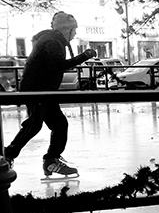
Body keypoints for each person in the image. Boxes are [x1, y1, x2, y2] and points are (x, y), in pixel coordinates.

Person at [3, 11, 97, 177]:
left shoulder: (53, 40)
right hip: (37, 91)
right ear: (67, 30)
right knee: (34, 124)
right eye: (74, 31)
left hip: (44, 91)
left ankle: (51, 161)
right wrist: (84, 56)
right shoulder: (53, 41)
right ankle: (8, 154)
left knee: (59, 124)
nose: (75, 35)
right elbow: (58, 65)